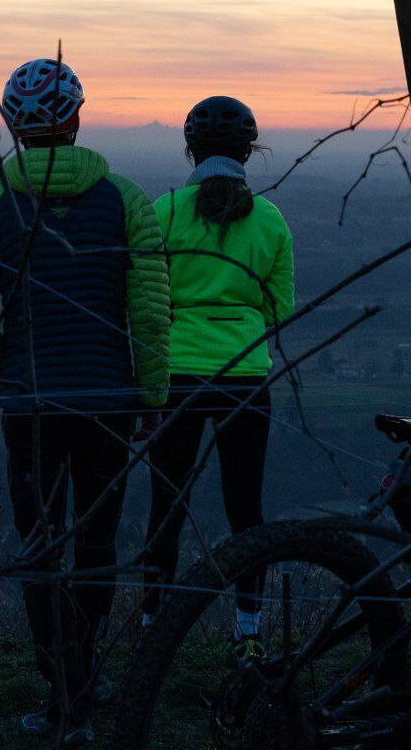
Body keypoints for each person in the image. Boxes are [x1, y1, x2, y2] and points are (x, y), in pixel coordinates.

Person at [0, 58, 170, 743]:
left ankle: (60, 681)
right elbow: (150, 310)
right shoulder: (127, 199)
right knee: (97, 542)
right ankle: (87, 674)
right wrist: (152, 393)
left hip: (33, 404)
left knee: (39, 545)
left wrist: (6, 380)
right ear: (77, 116)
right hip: (109, 400)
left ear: (13, 126)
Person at [140, 95, 294, 660]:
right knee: (244, 505)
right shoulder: (272, 219)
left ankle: (153, 622)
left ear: (190, 149)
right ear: (250, 151)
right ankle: (248, 630)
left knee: (167, 501)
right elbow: (280, 307)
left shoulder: (164, 211)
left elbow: (146, 301)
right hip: (245, 375)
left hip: (176, 375)